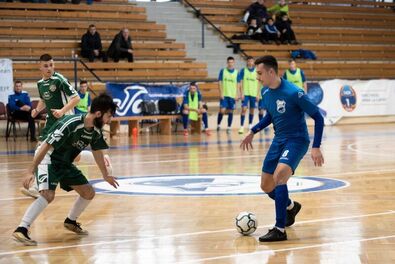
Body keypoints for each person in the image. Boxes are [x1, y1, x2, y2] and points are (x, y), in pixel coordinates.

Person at [12, 94, 119, 246]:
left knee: (88, 192)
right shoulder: (71, 123)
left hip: (65, 162)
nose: (110, 121)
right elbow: (46, 145)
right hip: (47, 158)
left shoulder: (95, 131)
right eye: (109, 116)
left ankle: (71, 221)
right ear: (98, 114)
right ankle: (22, 228)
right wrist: (31, 170)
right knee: (48, 195)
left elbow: (97, 153)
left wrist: (105, 175)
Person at [240, 55, 324, 242]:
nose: (258, 77)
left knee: (279, 177)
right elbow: (270, 116)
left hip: (297, 140)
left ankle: (279, 229)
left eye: (260, 73)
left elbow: (318, 117)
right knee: (266, 185)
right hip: (279, 140)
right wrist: (253, 131)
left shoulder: (295, 92)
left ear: (271, 72)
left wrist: (316, 146)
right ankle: (291, 207)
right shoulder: (266, 92)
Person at [20, 53, 81, 199]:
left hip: (65, 120)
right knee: (41, 150)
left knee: (74, 156)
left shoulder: (59, 80)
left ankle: (102, 158)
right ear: (40, 67)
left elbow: (76, 98)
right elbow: (43, 99)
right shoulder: (40, 83)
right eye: (46, 66)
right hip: (51, 121)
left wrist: (62, 111)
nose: (49, 68)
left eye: (51, 65)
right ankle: (36, 187)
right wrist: (36, 110)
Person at [238, 57, 260, 134]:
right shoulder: (243, 71)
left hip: (253, 94)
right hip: (246, 94)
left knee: (252, 110)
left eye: (251, 61)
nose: (250, 62)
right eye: (249, 61)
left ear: (253, 62)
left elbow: (259, 84)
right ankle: (241, 126)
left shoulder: (257, 71)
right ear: (247, 62)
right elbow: (240, 82)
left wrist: (258, 94)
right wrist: (241, 93)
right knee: (243, 109)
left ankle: (250, 125)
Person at [217, 56, 239, 134]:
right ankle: (218, 125)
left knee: (230, 111)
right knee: (222, 111)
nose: (230, 64)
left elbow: (238, 84)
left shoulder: (236, 72)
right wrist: (221, 93)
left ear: (234, 63)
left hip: (232, 96)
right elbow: (219, 83)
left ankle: (229, 127)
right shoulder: (223, 71)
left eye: (232, 62)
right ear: (227, 63)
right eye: (229, 62)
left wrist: (237, 94)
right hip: (224, 95)